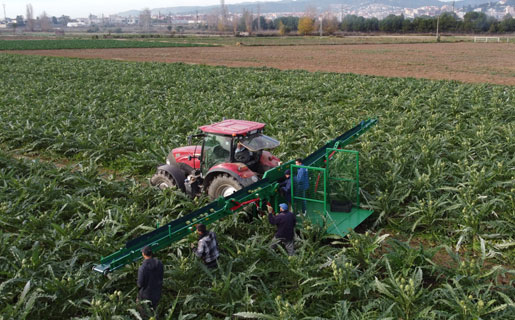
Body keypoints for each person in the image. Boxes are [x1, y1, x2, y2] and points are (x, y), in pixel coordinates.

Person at [137, 246, 164, 313]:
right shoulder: (159, 263)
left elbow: (140, 284)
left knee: (145, 313)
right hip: (157, 293)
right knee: (155, 312)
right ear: (151, 253)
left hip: (145, 295)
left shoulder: (142, 268)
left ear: (143, 254)